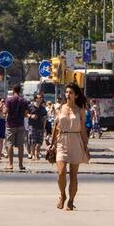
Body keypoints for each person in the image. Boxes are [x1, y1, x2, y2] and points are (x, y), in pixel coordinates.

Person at [47, 83, 91, 211]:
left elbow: (83, 129)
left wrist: (85, 147)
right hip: (62, 141)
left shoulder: (80, 110)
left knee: (73, 175)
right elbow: (55, 126)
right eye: (66, 92)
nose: (68, 95)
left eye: (71, 93)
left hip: (76, 140)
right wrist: (52, 143)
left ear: (76, 95)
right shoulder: (60, 108)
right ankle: (62, 195)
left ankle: (71, 200)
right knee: (61, 172)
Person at [3, 85, 28, 172]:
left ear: (13, 90)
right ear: (20, 90)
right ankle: (21, 164)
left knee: (10, 144)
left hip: (10, 125)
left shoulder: (9, 100)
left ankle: (10, 164)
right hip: (20, 124)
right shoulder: (24, 101)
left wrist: (3, 110)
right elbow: (25, 114)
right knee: (20, 145)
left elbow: (5, 111)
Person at [26, 92, 46, 160]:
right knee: (33, 142)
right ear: (35, 98)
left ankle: (37, 154)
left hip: (40, 127)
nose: (40, 99)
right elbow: (25, 114)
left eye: (41, 98)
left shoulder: (43, 108)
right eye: (38, 97)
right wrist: (31, 116)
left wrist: (44, 127)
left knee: (39, 142)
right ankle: (33, 154)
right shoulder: (30, 106)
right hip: (32, 126)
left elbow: (44, 118)